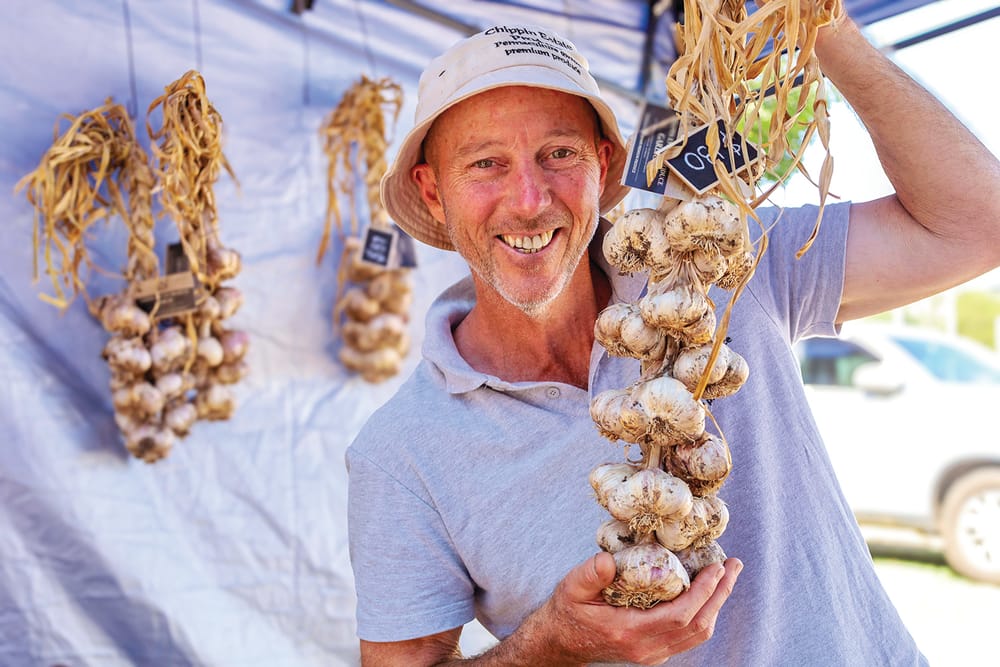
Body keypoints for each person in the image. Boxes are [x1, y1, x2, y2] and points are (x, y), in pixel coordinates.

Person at [346, 13, 1000, 667]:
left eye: (559, 153)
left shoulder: (725, 262)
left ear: (602, 166)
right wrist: (549, 644)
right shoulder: (400, 452)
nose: (529, 198)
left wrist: (819, 22)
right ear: (433, 192)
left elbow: (978, 224)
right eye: (486, 163)